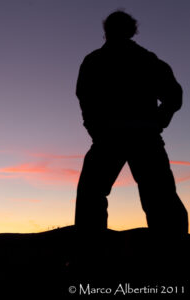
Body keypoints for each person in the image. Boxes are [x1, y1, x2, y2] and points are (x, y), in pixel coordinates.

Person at [74, 10, 188, 236]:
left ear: (106, 31)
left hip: (118, 136)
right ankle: (174, 250)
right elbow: (174, 95)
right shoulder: (146, 60)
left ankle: (88, 253)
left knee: (92, 193)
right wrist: (157, 121)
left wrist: (95, 127)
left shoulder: (96, 61)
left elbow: (85, 97)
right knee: (160, 196)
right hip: (138, 136)